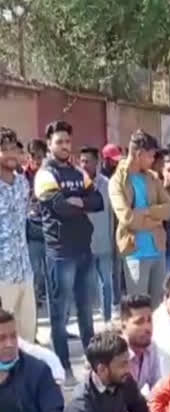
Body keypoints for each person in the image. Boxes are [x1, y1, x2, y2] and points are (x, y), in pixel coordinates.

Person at [35, 120, 104, 384]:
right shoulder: (44, 174)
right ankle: (64, 367)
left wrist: (78, 202)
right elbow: (59, 207)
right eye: (59, 142)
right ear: (50, 144)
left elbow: (98, 201)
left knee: (86, 312)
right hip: (60, 253)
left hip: (83, 251)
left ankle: (93, 363)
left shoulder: (78, 172)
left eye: (67, 141)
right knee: (59, 315)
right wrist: (80, 204)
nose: (64, 146)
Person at [110, 130, 170, 308]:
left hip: (158, 249)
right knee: (138, 312)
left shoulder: (152, 178)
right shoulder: (117, 181)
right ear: (139, 154)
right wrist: (156, 219)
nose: (153, 160)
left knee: (159, 310)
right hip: (135, 253)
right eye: (151, 156)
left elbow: (169, 209)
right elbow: (128, 218)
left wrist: (145, 211)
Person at [0, 127, 37, 343]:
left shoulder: (22, 183)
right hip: (2, 276)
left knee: (26, 339)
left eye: (13, 148)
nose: (11, 154)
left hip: (25, 272)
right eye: (4, 149)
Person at [82, 145, 115, 322]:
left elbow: (112, 215)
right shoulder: (77, 184)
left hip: (104, 243)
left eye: (88, 161)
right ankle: (87, 321)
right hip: (84, 245)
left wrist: (113, 241)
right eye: (82, 161)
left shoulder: (107, 185)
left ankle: (107, 319)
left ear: (97, 162)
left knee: (107, 284)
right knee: (87, 286)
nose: (85, 165)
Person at [118, 294, 162, 393]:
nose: (147, 327)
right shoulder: (114, 354)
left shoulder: (151, 347)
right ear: (124, 326)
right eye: (139, 322)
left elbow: (157, 389)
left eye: (149, 320)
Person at [23, 138, 48, 306]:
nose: (38, 161)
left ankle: (46, 295)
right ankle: (35, 296)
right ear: (29, 157)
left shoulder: (49, 175)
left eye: (41, 157)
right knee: (35, 269)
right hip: (31, 230)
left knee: (49, 269)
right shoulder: (22, 177)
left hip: (48, 228)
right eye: (35, 157)